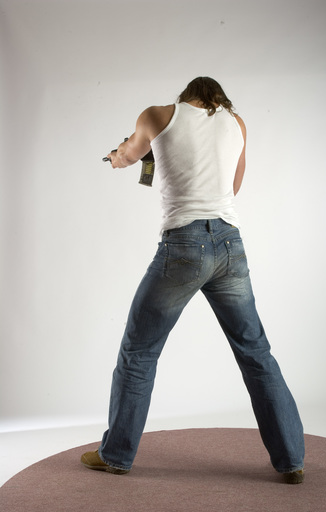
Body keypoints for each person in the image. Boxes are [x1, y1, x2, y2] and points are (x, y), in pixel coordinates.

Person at [81, 77, 305, 484]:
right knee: (256, 353)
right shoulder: (237, 123)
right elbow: (232, 187)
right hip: (229, 244)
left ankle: (115, 455)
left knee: (139, 352)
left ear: (185, 97)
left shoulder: (158, 116)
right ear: (217, 101)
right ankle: (292, 461)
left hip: (182, 247)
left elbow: (132, 154)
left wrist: (115, 158)